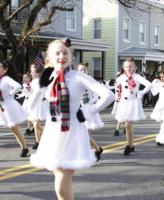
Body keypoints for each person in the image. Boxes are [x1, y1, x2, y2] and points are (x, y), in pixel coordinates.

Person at [28, 38, 114, 200]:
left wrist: (89, 111)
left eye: (65, 52)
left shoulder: (78, 77)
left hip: (72, 132)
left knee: (61, 186)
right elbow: (31, 107)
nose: (62, 56)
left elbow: (108, 95)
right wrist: (41, 87)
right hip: (52, 133)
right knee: (62, 186)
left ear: (71, 57)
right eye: (57, 53)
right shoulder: (48, 78)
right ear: (50, 59)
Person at [113, 58, 151, 155]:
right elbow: (117, 89)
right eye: (126, 66)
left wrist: (141, 92)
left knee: (127, 125)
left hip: (133, 103)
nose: (128, 68)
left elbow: (149, 85)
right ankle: (132, 145)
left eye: (130, 66)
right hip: (123, 103)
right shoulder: (120, 77)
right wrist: (116, 100)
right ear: (123, 68)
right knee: (129, 126)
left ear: (134, 67)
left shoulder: (137, 77)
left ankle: (128, 145)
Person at [0, 60, 29, 157]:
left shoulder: (6, 79)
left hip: (8, 106)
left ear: (5, 70)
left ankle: (24, 147)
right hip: (1, 106)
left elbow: (18, 86)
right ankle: (24, 147)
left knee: (14, 129)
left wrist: (10, 94)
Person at [77, 63, 104, 161]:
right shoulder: (77, 82)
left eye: (84, 69)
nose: (83, 71)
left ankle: (91, 151)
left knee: (84, 133)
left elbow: (97, 96)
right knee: (82, 134)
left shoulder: (90, 81)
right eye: (80, 70)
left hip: (90, 110)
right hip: (81, 111)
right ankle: (96, 149)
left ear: (87, 71)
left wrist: (90, 102)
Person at [27, 63, 48, 149]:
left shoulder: (41, 81)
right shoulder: (32, 82)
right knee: (35, 124)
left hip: (41, 104)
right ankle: (38, 141)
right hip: (34, 104)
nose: (31, 73)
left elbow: (44, 93)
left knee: (36, 125)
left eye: (33, 72)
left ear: (38, 73)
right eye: (31, 71)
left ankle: (48, 138)